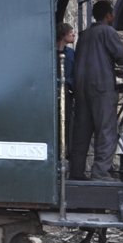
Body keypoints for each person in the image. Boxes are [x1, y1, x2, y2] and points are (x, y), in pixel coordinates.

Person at [69, 1, 123, 181]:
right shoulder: (107, 31)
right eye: (113, 13)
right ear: (108, 15)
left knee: (81, 132)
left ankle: (76, 173)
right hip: (101, 87)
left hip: (82, 88)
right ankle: (100, 173)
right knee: (106, 130)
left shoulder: (84, 35)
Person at [56, 23, 76, 157]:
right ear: (63, 35)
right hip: (53, 93)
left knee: (65, 123)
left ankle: (62, 154)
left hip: (66, 93)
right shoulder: (50, 52)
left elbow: (75, 74)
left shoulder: (71, 53)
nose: (73, 34)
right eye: (70, 32)